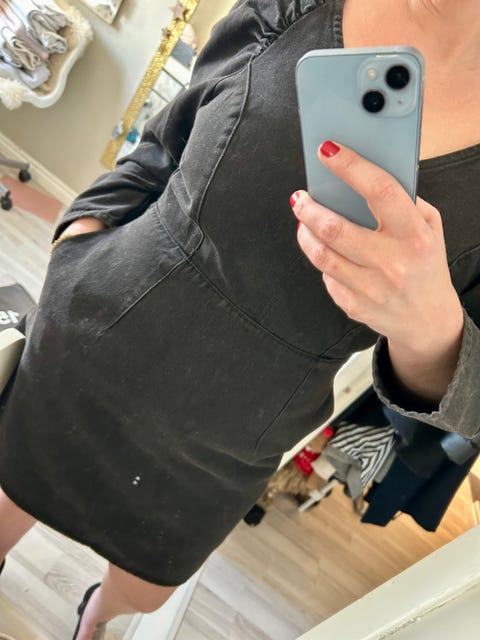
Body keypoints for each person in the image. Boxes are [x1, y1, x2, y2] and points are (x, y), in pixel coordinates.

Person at [1, 0, 479, 638]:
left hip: (237, 432)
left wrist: (430, 328)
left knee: (146, 585)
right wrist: (77, 238)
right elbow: (162, 145)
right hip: (99, 332)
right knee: (10, 493)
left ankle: (95, 615)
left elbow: (471, 407)